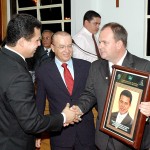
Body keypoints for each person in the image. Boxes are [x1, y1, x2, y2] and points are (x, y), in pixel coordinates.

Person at [0, 14, 80, 150]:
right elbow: (31, 122)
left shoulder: (4, 58)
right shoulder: (19, 76)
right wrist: (63, 117)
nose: (40, 44)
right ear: (22, 42)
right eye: (37, 40)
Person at [72, 22, 150, 150]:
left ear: (119, 44)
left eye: (104, 43)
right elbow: (89, 94)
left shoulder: (144, 67)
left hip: (131, 143)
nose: (100, 46)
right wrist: (79, 109)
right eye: (99, 42)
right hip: (103, 140)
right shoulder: (95, 66)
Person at [35, 31, 95, 150]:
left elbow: (93, 95)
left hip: (86, 132)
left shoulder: (86, 66)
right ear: (52, 48)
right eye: (62, 47)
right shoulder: (43, 71)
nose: (67, 50)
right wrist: (37, 132)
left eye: (69, 46)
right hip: (60, 134)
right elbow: (39, 104)